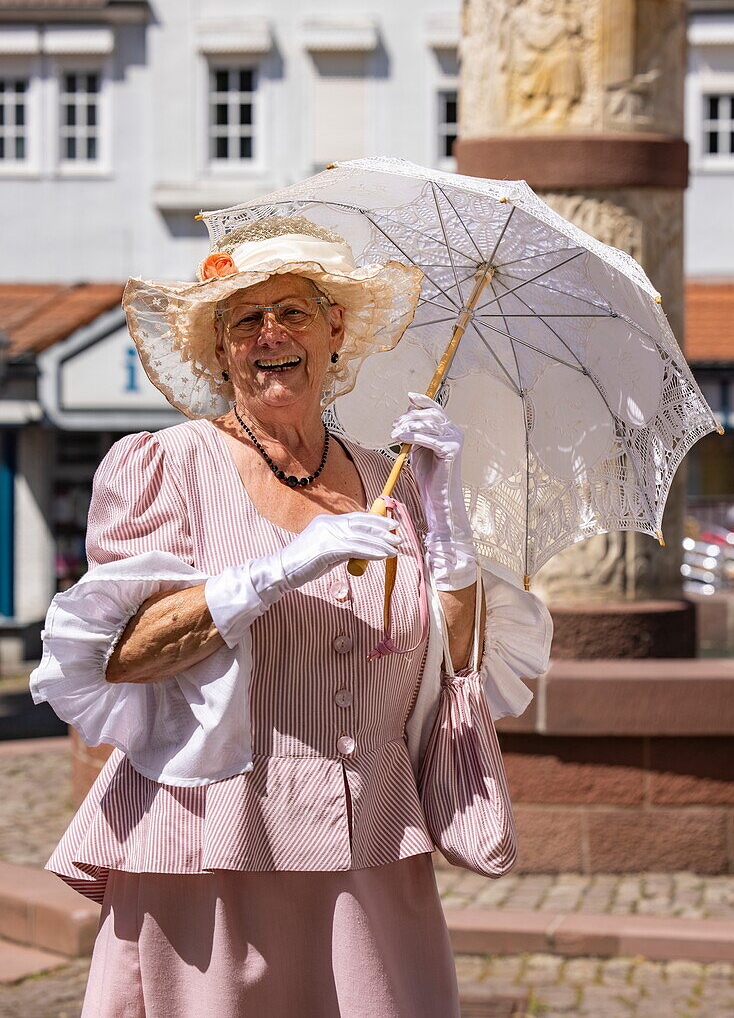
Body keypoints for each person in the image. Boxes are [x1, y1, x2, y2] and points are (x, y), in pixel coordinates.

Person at [30, 215, 551, 1018]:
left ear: (334, 329)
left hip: (371, 854)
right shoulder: (165, 466)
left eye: (294, 313)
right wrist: (276, 569)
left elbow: (455, 667)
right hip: (207, 851)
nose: (271, 334)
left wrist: (447, 531)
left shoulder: (394, 479)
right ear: (218, 348)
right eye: (245, 319)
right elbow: (122, 652)